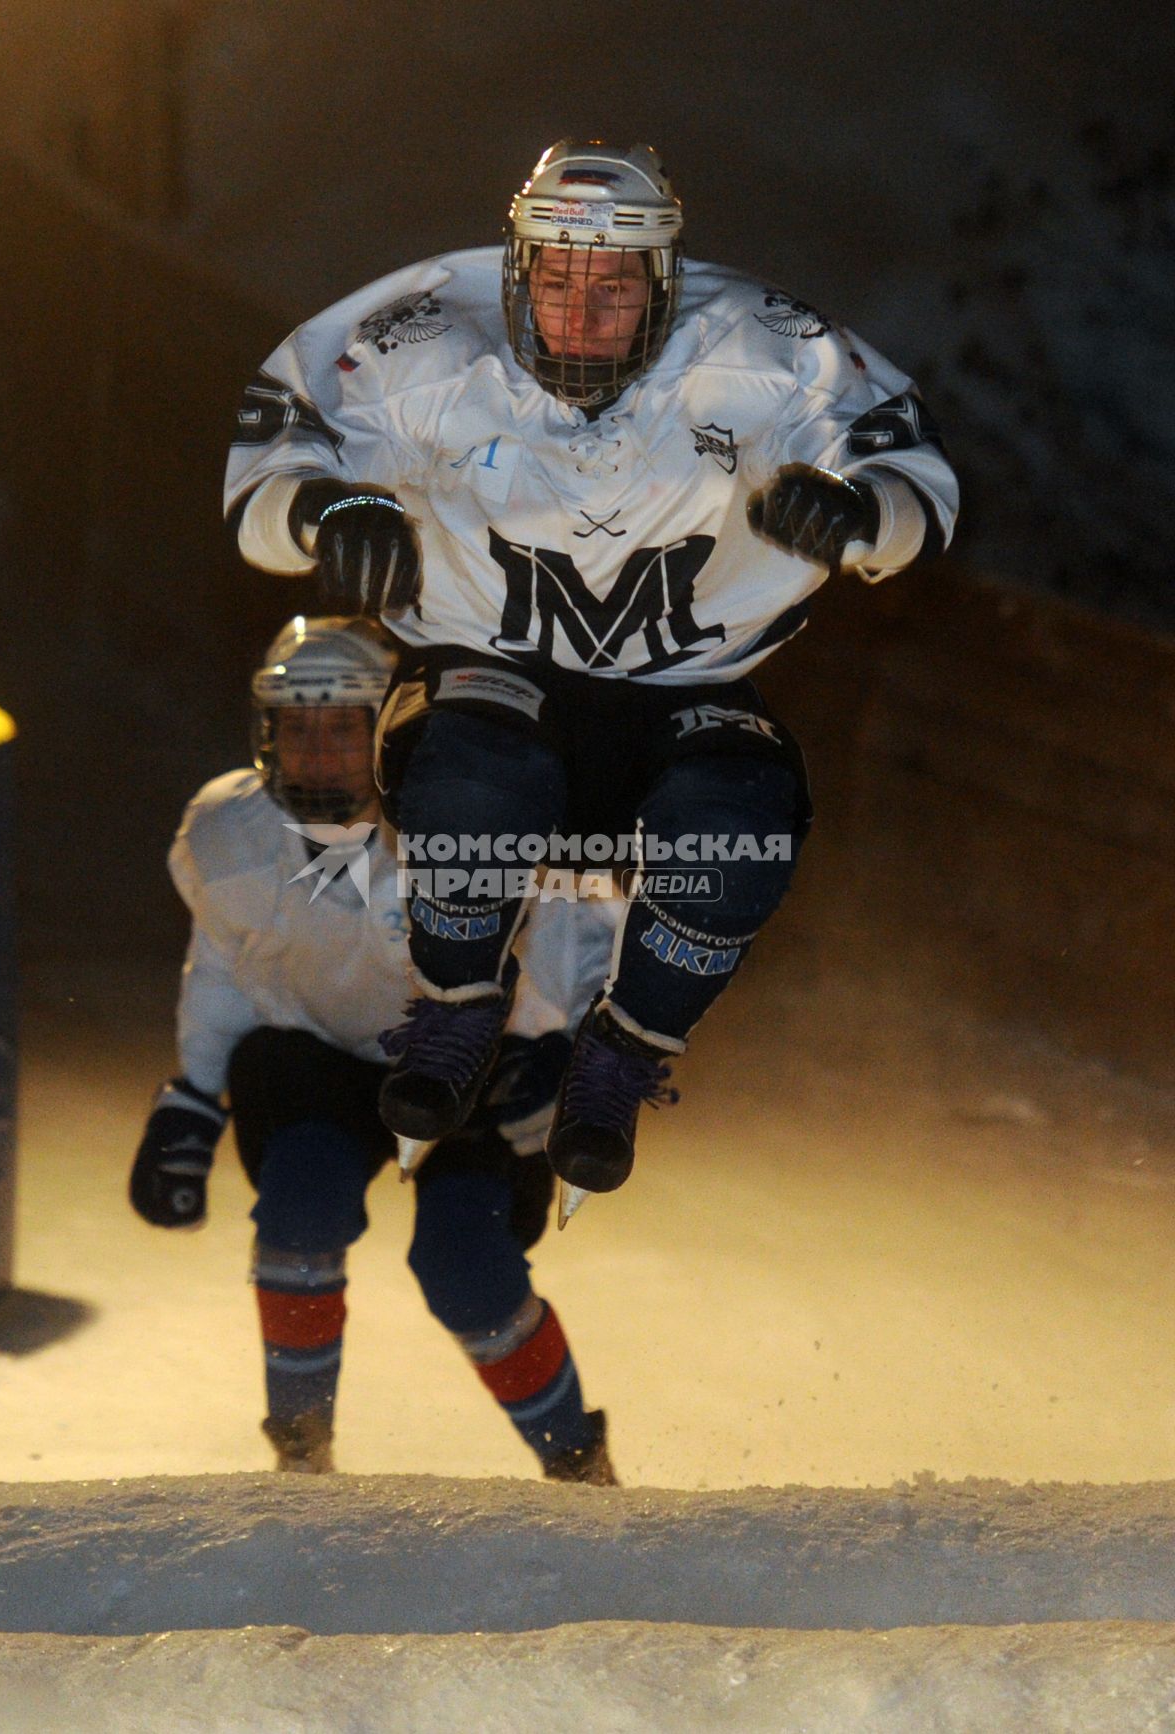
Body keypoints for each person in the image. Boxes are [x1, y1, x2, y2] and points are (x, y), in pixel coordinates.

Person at [224, 139, 960, 1219]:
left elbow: (906, 470)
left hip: (684, 692)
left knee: (737, 820)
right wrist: (324, 510)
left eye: (612, 286)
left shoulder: (762, 349)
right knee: (475, 773)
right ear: (516, 272)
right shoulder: (422, 336)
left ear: (662, 282)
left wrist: (862, 511)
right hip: (486, 676)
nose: (580, 313)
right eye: (558, 281)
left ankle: (626, 1049)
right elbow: (279, 452)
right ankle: (458, 1002)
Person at [128, 617, 621, 1480]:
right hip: (318, 1060)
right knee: (301, 1202)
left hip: (472, 1063)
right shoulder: (229, 830)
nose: (318, 754)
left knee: (465, 1263)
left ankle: (578, 1464)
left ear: (390, 728)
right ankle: (302, 1456)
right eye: (298, 727)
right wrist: (193, 1099)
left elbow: (583, 934)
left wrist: (567, 1058)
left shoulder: (480, 815)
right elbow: (224, 964)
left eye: (344, 728)